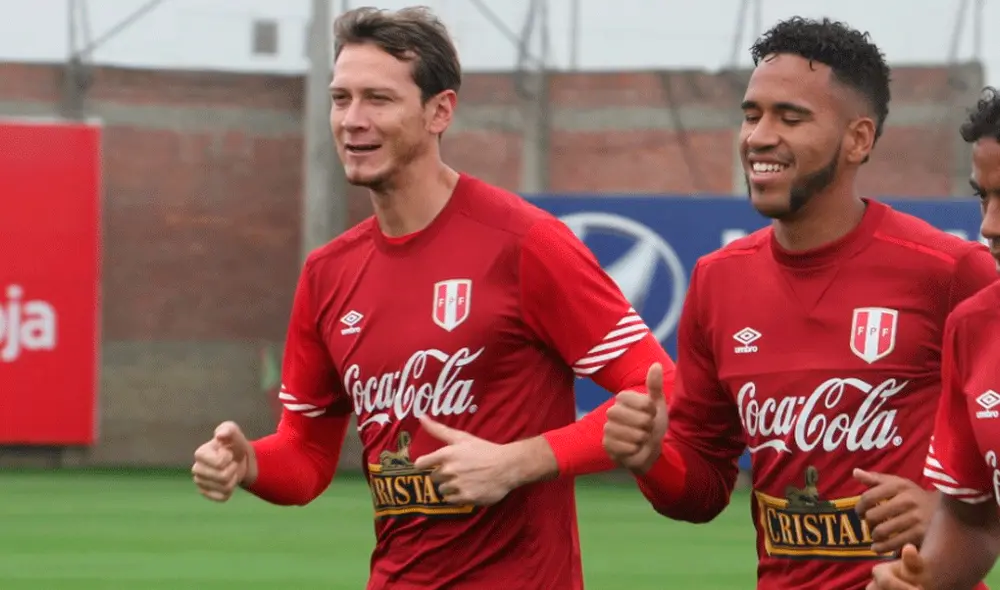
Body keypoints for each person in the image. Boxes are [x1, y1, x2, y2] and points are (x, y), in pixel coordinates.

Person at [189, 6, 672, 590]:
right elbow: (306, 457)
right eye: (341, 99)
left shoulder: (525, 243)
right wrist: (250, 463)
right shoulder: (327, 273)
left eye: (379, 99)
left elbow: (663, 389)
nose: (352, 120)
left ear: (440, 110)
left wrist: (517, 463)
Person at [599, 17, 998, 590]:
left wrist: (949, 511)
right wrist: (650, 456)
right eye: (751, 114)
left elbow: (984, 479)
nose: (759, 136)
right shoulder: (718, 280)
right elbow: (703, 493)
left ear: (859, 138)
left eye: (790, 117)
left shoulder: (951, 270)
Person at [868, 87, 1000, 590]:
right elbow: (974, 519)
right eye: (983, 196)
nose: (989, 226)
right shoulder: (975, 326)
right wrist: (922, 582)